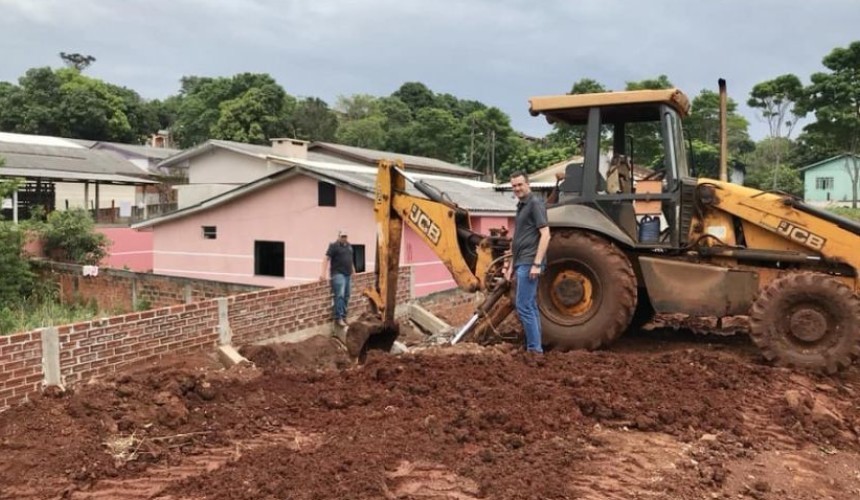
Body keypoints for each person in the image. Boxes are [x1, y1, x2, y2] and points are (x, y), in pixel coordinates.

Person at [509, 171, 551, 353]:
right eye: (514, 186)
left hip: (529, 262)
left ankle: (534, 350)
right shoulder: (522, 206)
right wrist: (511, 265)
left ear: (528, 184)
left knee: (524, 306)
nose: (517, 188)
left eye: (520, 185)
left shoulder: (534, 203)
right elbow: (519, 236)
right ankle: (535, 347)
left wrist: (536, 263)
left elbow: (546, 234)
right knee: (530, 306)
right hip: (521, 261)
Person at [321, 229, 355, 327]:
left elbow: (350, 259)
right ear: (338, 236)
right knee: (340, 295)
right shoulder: (334, 246)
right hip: (338, 274)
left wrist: (353, 269)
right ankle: (338, 318)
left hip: (348, 274)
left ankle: (344, 317)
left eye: (345, 236)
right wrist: (323, 273)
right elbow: (326, 259)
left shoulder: (349, 246)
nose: (344, 238)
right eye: (342, 236)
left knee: (347, 295)